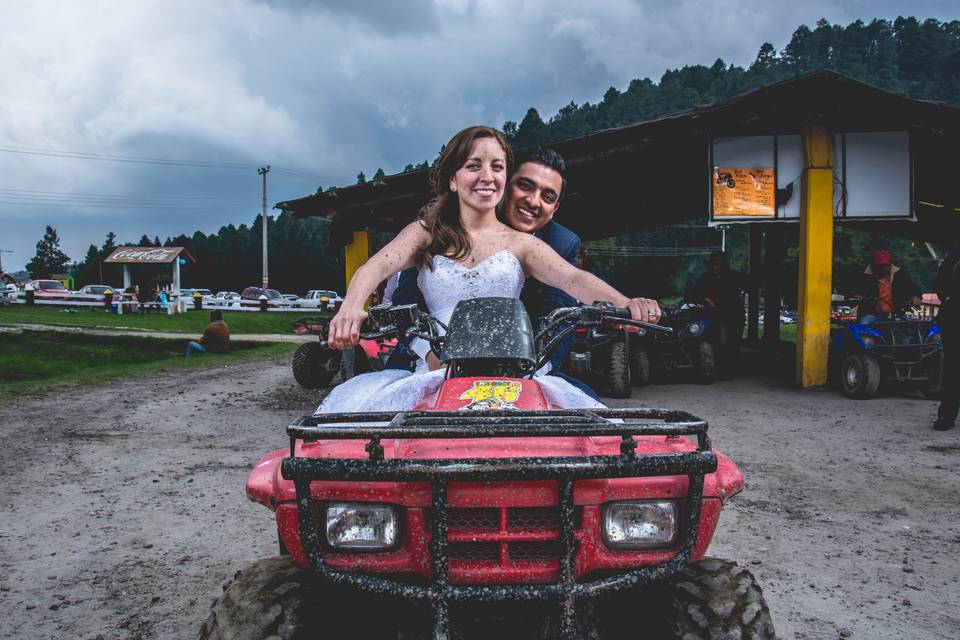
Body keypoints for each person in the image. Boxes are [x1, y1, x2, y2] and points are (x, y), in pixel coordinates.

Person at [316, 125, 660, 414]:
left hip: (511, 372)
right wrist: (351, 307)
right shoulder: (425, 233)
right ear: (453, 179)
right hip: (434, 367)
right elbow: (375, 266)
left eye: (497, 167)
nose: (487, 176)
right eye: (474, 166)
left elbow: (572, 278)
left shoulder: (521, 244)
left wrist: (627, 301)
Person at [386, 145, 597, 397]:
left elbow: (560, 310)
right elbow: (406, 296)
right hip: (429, 358)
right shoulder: (442, 227)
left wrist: (529, 367)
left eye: (547, 196)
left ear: (555, 209)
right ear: (505, 184)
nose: (533, 201)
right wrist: (430, 354)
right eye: (525, 186)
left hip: (521, 363)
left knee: (586, 416)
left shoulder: (561, 243)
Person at [688, 250, 750, 378]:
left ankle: (732, 370)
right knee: (721, 341)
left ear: (724, 265)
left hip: (734, 314)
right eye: (714, 264)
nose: (716, 267)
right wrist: (705, 299)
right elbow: (692, 294)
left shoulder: (734, 276)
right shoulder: (705, 278)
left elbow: (750, 284)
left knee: (734, 343)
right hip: (716, 315)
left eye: (718, 264)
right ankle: (720, 370)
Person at [933, 242, 959, 431]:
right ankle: (947, 415)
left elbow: (941, 288)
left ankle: (946, 416)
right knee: (953, 367)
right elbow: (942, 287)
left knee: (952, 367)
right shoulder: (955, 254)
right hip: (954, 316)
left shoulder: (954, 253)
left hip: (952, 315)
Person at [857, 248, 922, 324]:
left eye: (885, 265)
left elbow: (914, 289)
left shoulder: (900, 276)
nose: (883, 268)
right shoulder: (863, 278)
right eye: (880, 266)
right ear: (873, 266)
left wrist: (916, 297)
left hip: (896, 314)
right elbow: (854, 293)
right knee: (864, 325)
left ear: (890, 264)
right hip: (870, 315)